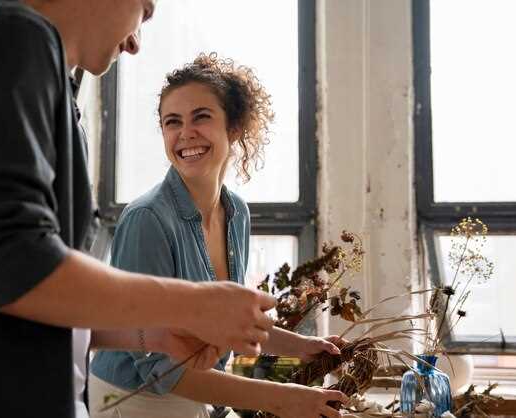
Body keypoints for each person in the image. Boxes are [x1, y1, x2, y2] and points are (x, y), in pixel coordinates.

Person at [0, 2, 278, 417]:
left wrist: (153, 336)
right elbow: (13, 266)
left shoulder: (55, 92)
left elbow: (20, 300)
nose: (134, 43)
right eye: (144, 11)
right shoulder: (10, 41)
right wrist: (194, 304)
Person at [88, 53, 348, 418]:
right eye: (171, 122)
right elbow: (160, 369)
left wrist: (301, 346)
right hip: (134, 400)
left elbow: (229, 322)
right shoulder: (146, 220)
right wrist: (281, 398)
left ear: (234, 127)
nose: (185, 133)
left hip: (195, 389)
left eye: (201, 117)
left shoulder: (236, 212)